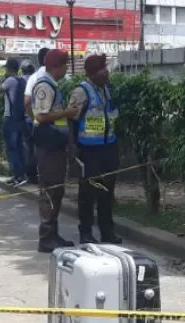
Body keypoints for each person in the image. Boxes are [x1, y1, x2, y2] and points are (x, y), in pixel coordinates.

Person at [68, 54, 122, 244]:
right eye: (101, 69)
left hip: (108, 148)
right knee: (88, 194)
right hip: (89, 151)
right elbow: (70, 120)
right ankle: (86, 233)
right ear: (92, 73)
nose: (106, 71)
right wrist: (72, 146)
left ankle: (107, 232)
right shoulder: (81, 92)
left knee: (107, 192)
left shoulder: (105, 89)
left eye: (105, 67)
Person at [30, 49, 81, 253]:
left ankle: (53, 234)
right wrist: (67, 113)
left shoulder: (53, 85)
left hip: (55, 146)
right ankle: (46, 237)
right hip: (48, 147)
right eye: (65, 65)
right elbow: (41, 116)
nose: (66, 69)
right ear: (55, 67)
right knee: (50, 191)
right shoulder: (44, 85)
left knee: (56, 190)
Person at [0, 58, 28, 186]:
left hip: (10, 118)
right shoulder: (22, 80)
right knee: (19, 147)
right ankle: (20, 175)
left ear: (9, 69)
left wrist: (3, 79)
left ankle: (19, 176)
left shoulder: (9, 80)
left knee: (12, 149)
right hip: (19, 118)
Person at [20, 60, 38, 184]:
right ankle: (36, 173)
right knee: (37, 147)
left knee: (28, 148)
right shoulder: (37, 80)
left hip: (26, 118)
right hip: (38, 118)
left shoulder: (20, 81)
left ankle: (29, 175)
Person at [24, 47, 50, 119]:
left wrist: (34, 118)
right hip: (61, 124)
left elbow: (27, 102)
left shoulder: (33, 77)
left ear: (38, 61)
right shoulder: (62, 76)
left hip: (39, 124)